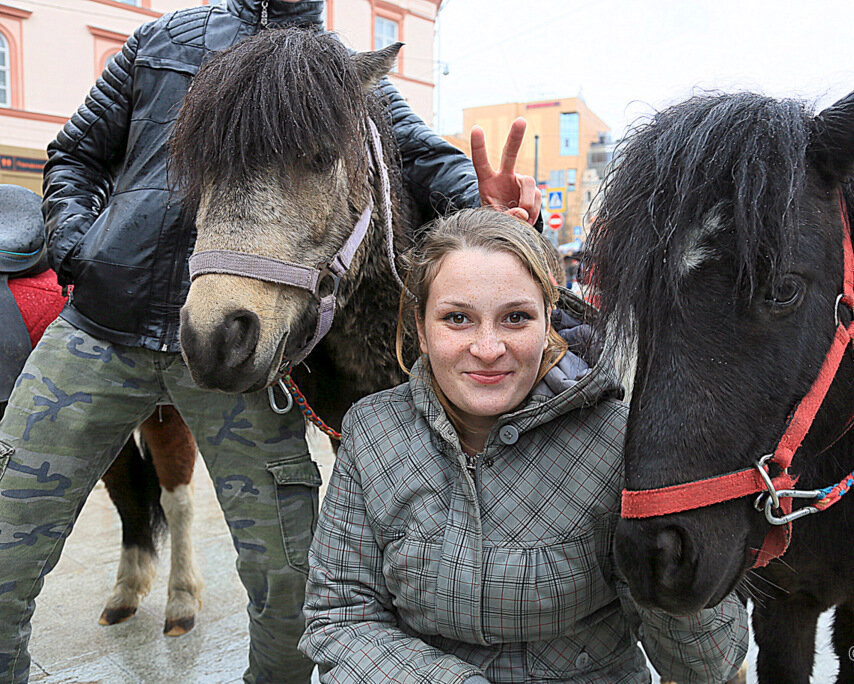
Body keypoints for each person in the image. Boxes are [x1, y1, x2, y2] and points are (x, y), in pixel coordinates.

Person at [0, 2, 538, 682]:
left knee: (291, 593)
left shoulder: (335, 72)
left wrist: (485, 210)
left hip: (246, 366)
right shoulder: (160, 40)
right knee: (4, 546)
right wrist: (85, 251)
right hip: (102, 329)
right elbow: (76, 154)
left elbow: (421, 158)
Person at [300, 209, 749, 684]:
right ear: (421, 325)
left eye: (516, 318)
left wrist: (673, 544)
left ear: (549, 318)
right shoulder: (373, 432)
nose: (488, 348)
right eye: (457, 319)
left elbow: (707, 664)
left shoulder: (621, 440)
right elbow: (340, 617)